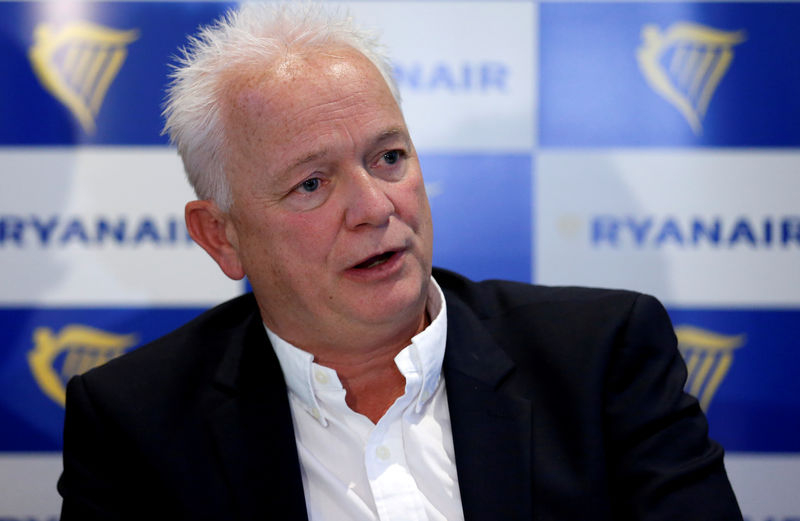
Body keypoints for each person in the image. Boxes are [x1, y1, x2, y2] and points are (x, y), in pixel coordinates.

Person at [57, 4, 743, 520]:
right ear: (221, 236)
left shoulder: (600, 356)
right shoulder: (134, 424)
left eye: (388, 157)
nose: (374, 206)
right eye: (311, 183)